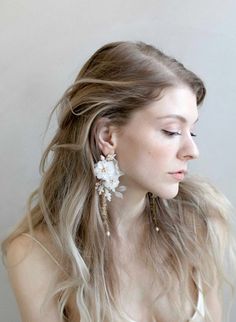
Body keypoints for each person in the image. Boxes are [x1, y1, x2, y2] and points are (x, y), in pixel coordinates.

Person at [1, 41, 236, 322]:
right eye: (172, 131)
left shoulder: (202, 222)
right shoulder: (35, 256)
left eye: (192, 132)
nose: (192, 151)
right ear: (107, 136)